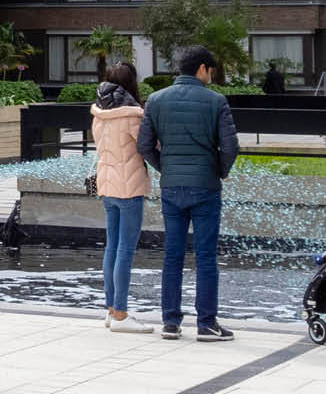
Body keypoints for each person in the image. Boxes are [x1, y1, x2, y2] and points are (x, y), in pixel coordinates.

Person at [138, 46, 241, 342]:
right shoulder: (216, 101)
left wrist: (166, 168)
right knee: (206, 256)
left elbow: (144, 145)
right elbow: (230, 146)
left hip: (171, 187)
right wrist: (218, 171)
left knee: (172, 255)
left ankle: (170, 322)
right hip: (205, 186)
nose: (212, 76)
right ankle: (206, 324)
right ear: (202, 69)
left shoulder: (156, 100)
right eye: (211, 70)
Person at [90, 62, 153, 333]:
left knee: (112, 247)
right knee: (125, 250)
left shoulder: (99, 113)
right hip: (129, 189)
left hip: (107, 186)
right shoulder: (132, 115)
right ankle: (121, 314)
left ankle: (111, 310)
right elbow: (148, 145)